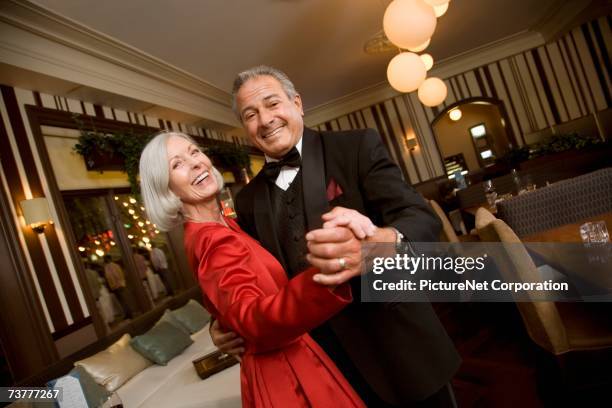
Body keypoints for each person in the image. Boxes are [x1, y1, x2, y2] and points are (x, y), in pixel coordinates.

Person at [212, 65, 461, 407]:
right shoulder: (247, 199)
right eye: (251, 114)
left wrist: (380, 243)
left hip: (396, 339)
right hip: (324, 361)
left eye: (272, 104)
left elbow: (419, 216)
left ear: (297, 103)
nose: (265, 119)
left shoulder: (355, 146)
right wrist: (224, 322)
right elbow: (251, 273)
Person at [139, 131, 369, 407]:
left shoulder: (226, 225)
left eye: (194, 152)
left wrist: (223, 321)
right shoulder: (212, 237)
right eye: (177, 164)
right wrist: (328, 271)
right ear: (166, 190)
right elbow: (249, 315)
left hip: (320, 344)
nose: (196, 162)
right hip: (286, 370)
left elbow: (230, 294)